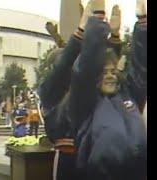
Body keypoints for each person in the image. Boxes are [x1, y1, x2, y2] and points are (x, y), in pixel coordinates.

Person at [39, 0, 130, 179]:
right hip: (70, 160)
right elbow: (68, 69)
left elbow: (103, 68)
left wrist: (114, 38)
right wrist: (80, 33)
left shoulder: (85, 89)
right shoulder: (52, 93)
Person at [67, 0, 147, 179]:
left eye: (112, 71)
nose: (110, 76)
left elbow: (141, 68)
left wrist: (143, 22)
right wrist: (97, 19)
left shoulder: (129, 96)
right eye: (103, 73)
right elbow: (86, 67)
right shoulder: (85, 104)